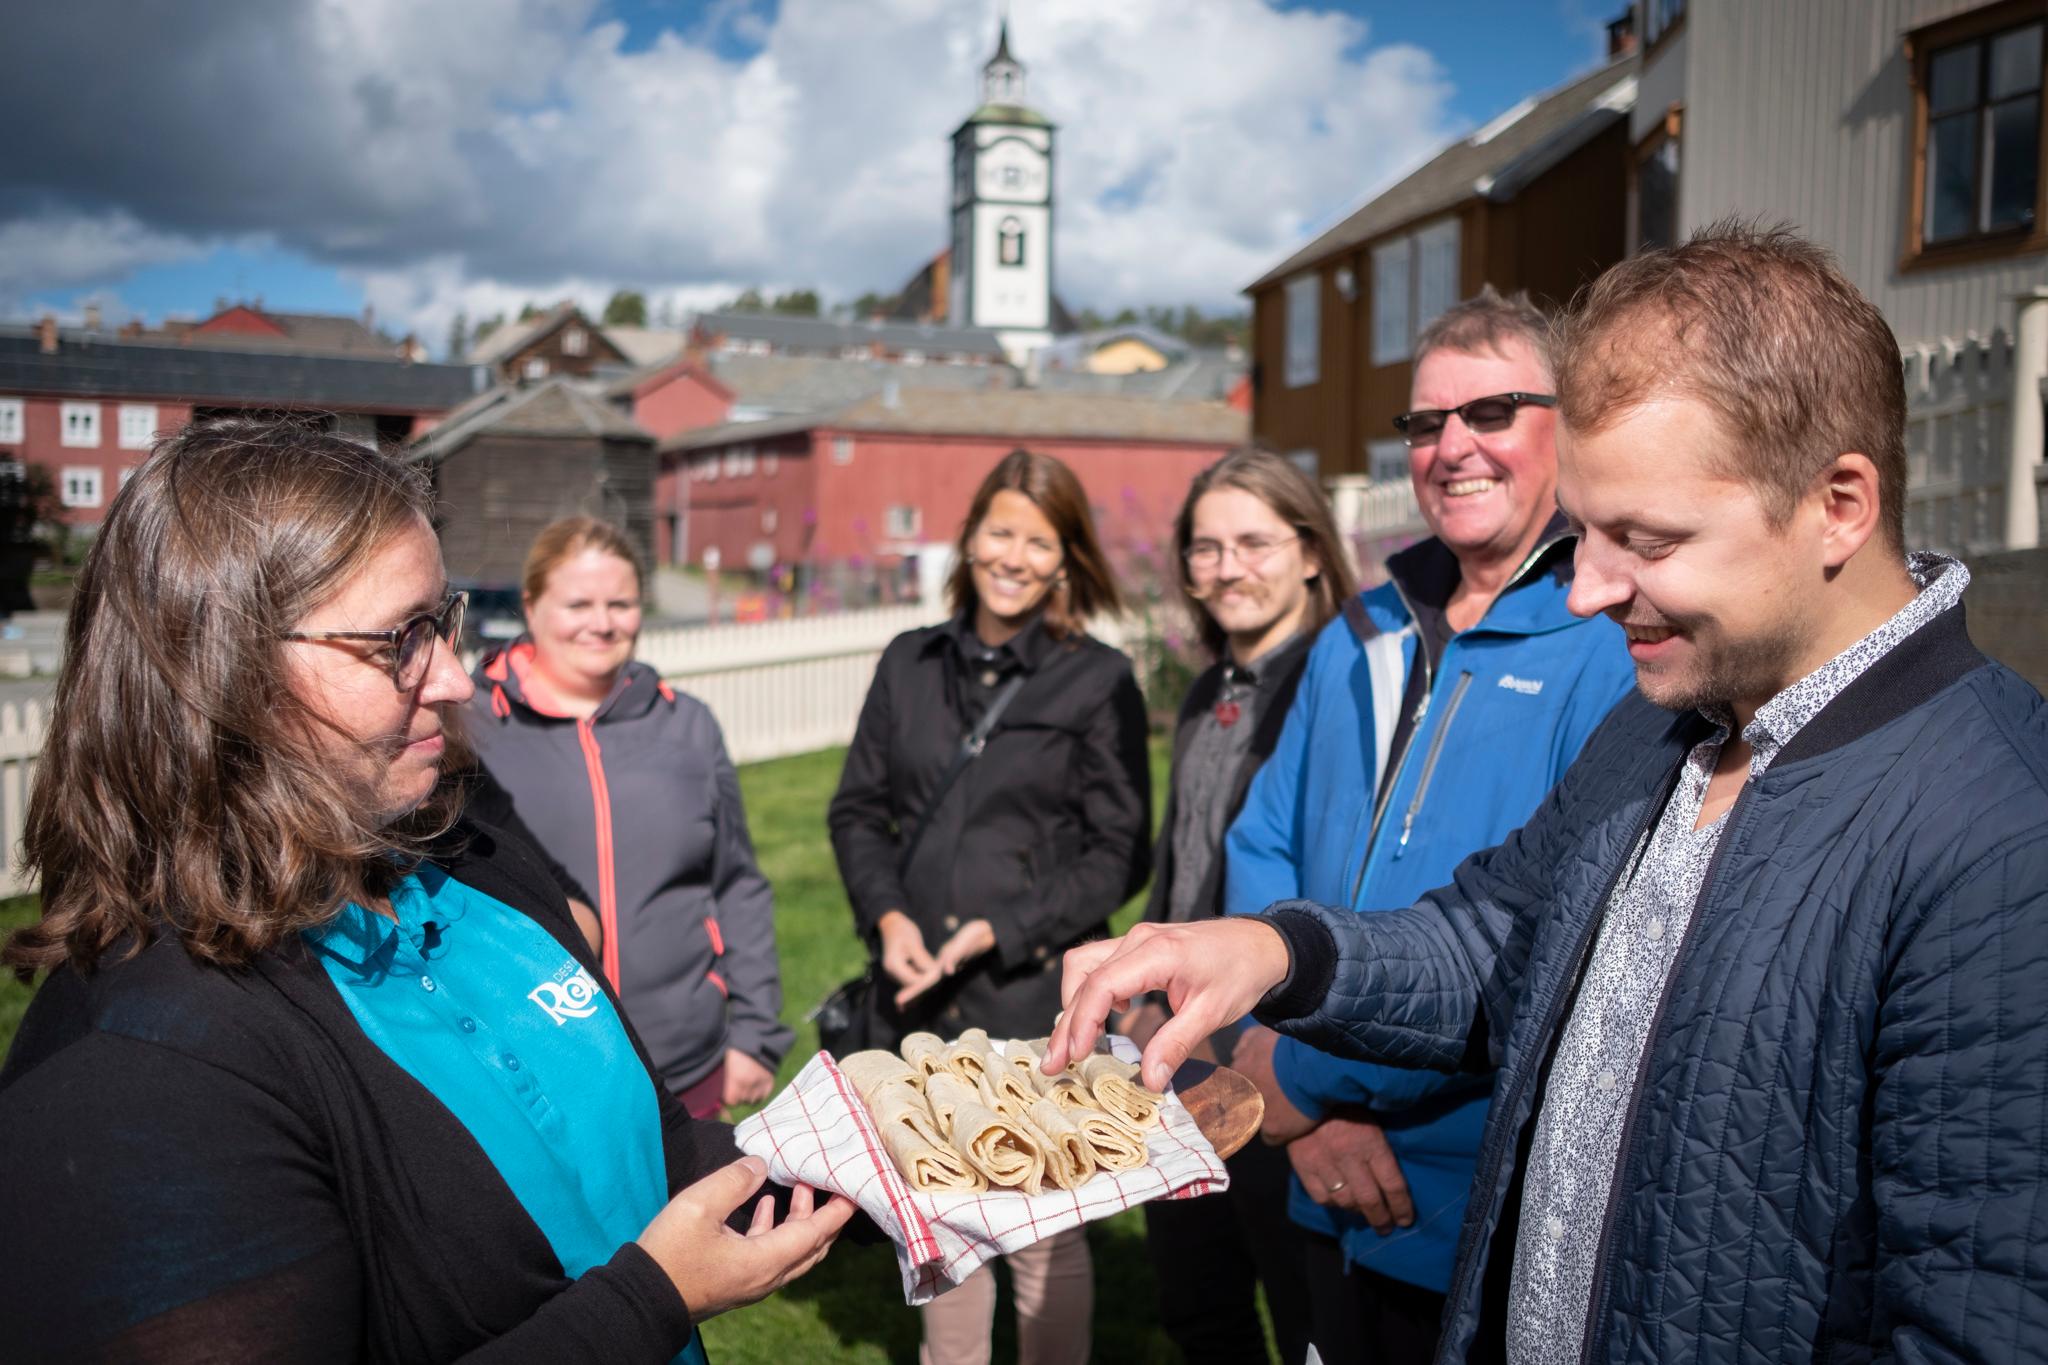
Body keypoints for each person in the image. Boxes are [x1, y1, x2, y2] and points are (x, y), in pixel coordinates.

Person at [1045, 224, 2048, 1363]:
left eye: (1643, 539)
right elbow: (1495, 944)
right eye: (1585, 531)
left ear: (1838, 505)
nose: (1585, 591)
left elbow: (1978, 1318)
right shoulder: (1662, 724)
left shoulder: (2001, 837)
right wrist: (1276, 956)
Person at [0, 420, 850, 1362]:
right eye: (396, 640)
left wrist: (890, 1151)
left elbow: (652, 1151)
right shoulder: (140, 1072)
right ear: (217, 669)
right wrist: (649, 1301)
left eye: (440, 623)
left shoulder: (459, 838)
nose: (451, 676)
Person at [1219, 289, 1633, 1362]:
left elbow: (1552, 949)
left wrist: (1302, 1086)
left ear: (1566, 425)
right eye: (1423, 422)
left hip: (1465, 1206)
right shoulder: (1357, 631)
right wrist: (1281, 1072)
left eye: (1490, 411)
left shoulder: (1608, 648)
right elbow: (1257, 845)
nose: (1451, 447)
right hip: (1313, 1178)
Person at [829, 447, 1151, 1365]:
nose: (1014, 555)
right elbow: (858, 809)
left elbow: (1120, 850)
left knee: (1046, 1227)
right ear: (968, 538)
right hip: (921, 1001)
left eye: (1038, 541)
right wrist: (889, 918)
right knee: (943, 1218)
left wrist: (1002, 929)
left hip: (1034, 997)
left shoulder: (1098, 679)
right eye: (999, 531)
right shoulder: (908, 662)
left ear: (1065, 559)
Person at [1121, 447, 1355, 1365]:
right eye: (1206, 548)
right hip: (1176, 1051)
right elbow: (1183, 857)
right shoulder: (1209, 688)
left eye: (1253, 541)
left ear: (1308, 550)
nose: (1228, 567)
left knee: (1301, 1310)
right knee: (1197, 1301)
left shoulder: (1335, 687)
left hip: (1271, 1046)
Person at [466, 517, 791, 1120]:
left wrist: (754, 1032)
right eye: (579, 603)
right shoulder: (468, 728)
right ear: (532, 606)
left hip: (685, 1064)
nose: (602, 622)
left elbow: (737, 882)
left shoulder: (687, 725)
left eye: (621, 603)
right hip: (532, 1072)